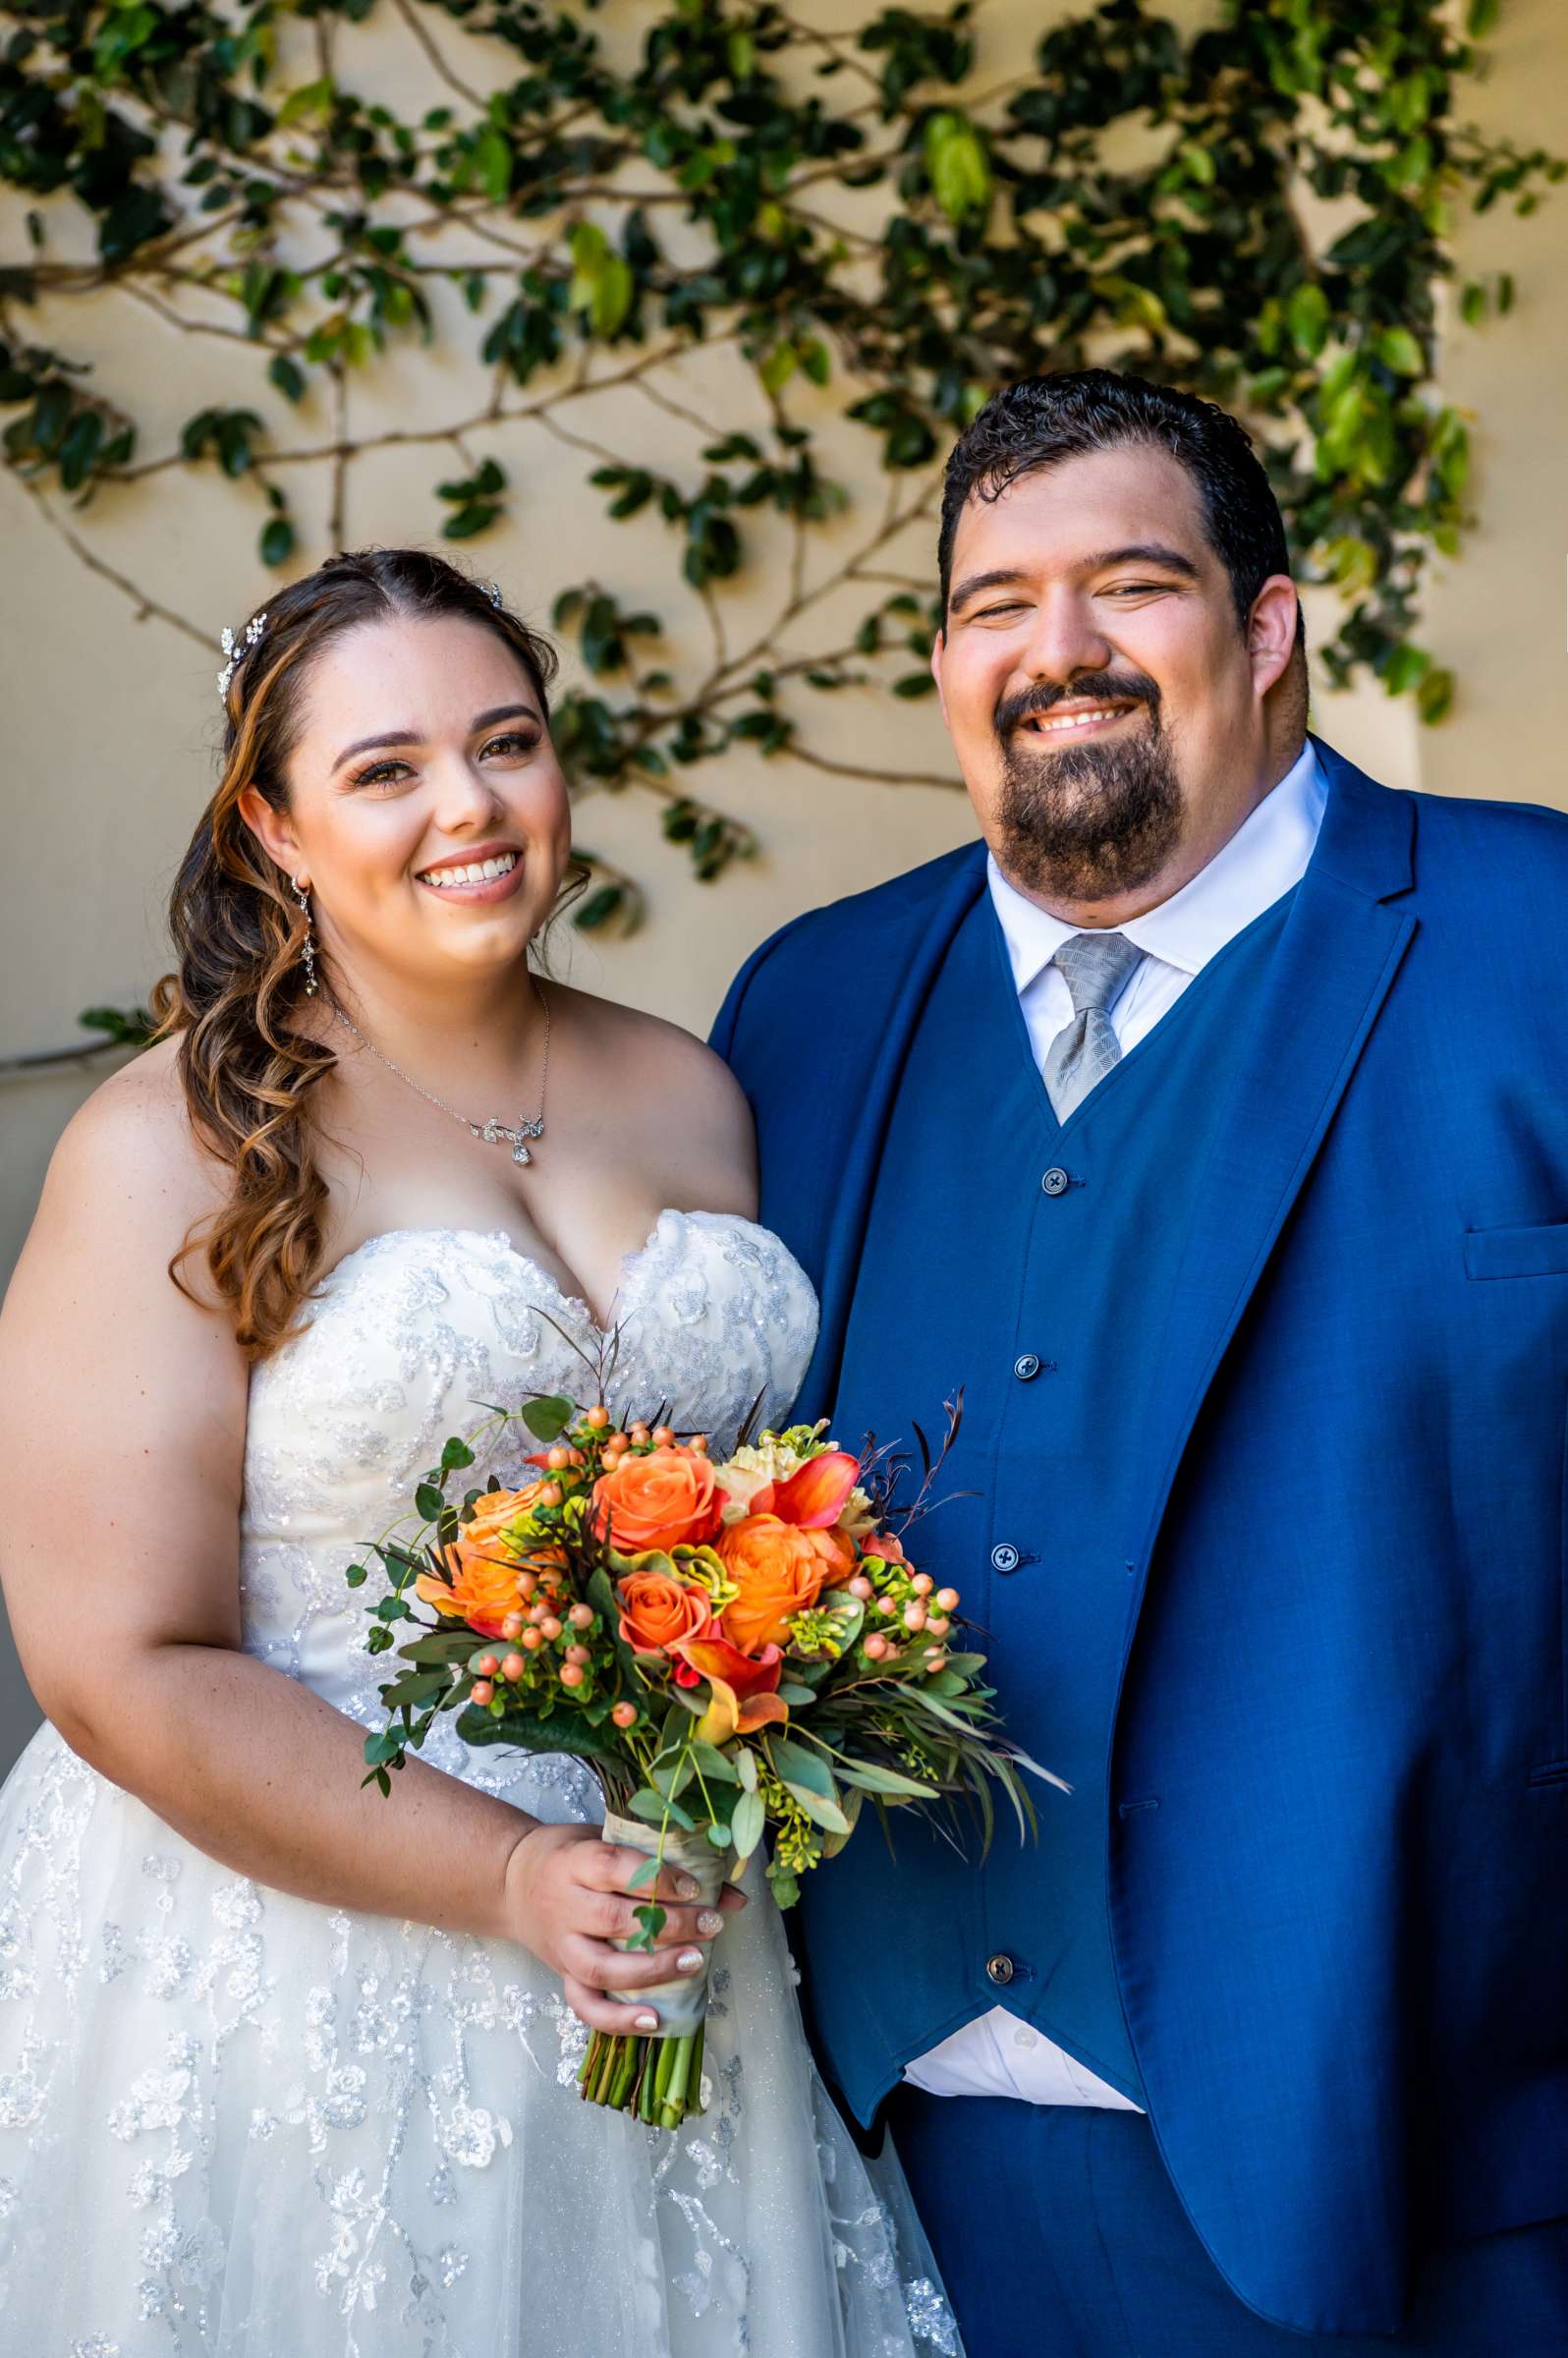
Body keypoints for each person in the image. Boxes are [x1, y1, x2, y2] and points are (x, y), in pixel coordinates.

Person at [0, 548, 958, 2356]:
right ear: (272, 831)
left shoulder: (692, 1089)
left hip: (673, 1938)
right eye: (385, 770)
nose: (470, 805)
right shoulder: (175, 1145)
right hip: (306, 1960)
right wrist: (508, 1879)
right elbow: (114, 1662)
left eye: (506, 743)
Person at [714, 369, 1568, 2353]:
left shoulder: (1539, 935)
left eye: (1131, 587)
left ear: (1269, 631)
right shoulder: (806, 1006)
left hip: (1439, 2154)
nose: (1059, 653)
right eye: (994, 603)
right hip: (899, 2160)